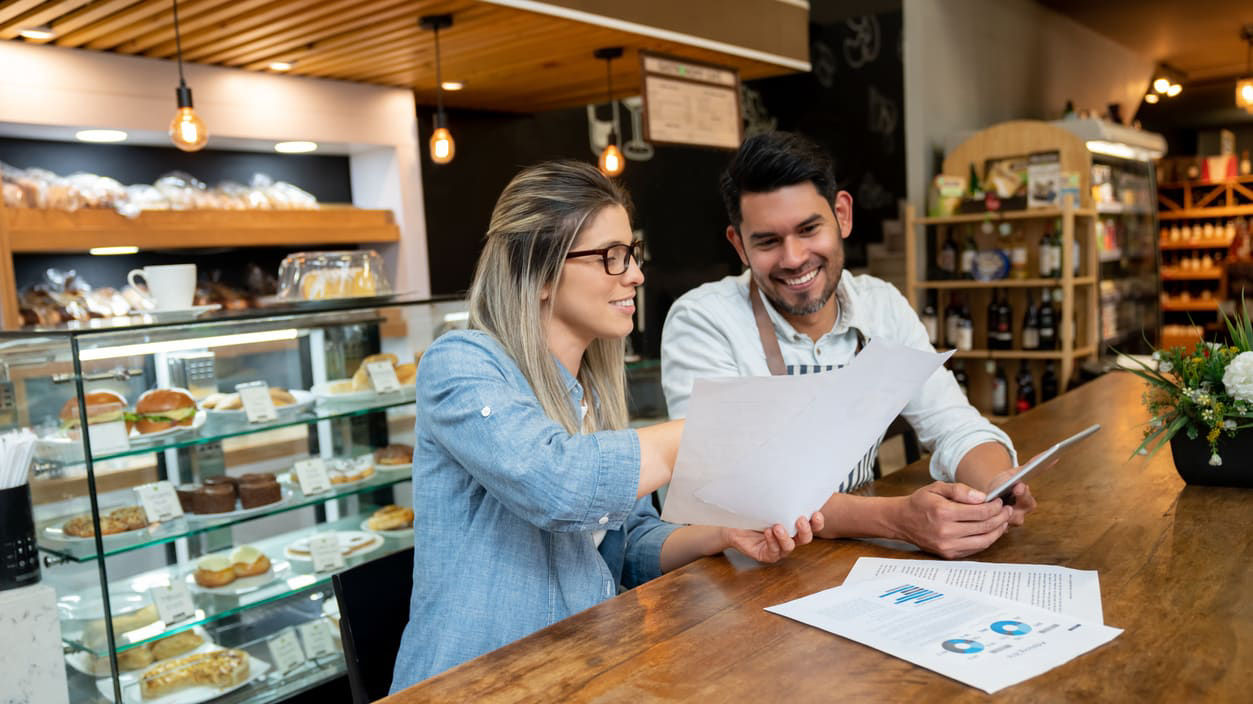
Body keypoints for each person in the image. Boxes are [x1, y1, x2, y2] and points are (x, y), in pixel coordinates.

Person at [390, 161, 823, 690]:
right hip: (472, 685)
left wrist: (723, 534)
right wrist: (713, 430)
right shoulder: (461, 364)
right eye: (611, 258)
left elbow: (629, 544)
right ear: (540, 271)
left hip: (580, 669)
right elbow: (557, 484)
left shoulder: (592, 393)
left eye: (632, 254)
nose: (636, 275)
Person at [661, 132, 1037, 560]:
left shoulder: (882, 307)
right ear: (739, 246)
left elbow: (955, 424)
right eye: (767, 241)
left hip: (847, 558)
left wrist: (994, 489)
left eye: (808, 229)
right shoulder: (703, 320)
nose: (794, 258)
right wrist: (897, 520)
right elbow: (733, 490)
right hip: (739, 572)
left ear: (842, 214)